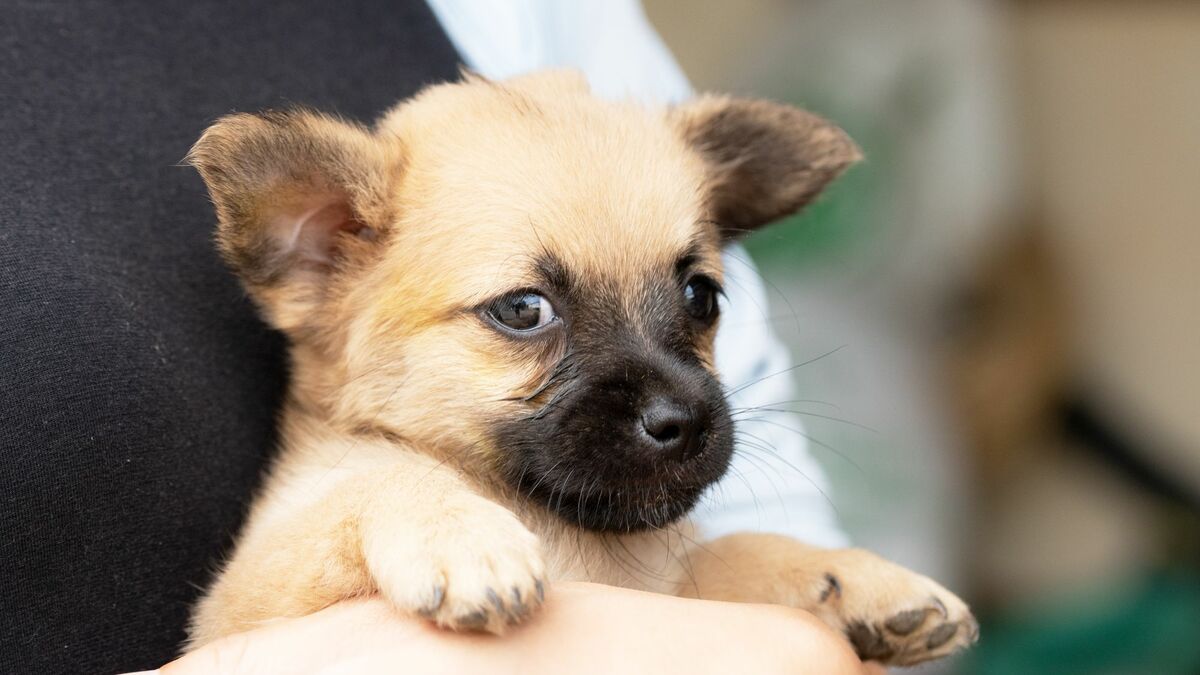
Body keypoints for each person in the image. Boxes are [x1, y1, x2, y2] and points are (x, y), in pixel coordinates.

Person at [0, 0, 865, 672]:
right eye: (525, 313)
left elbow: (734, 565)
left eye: (693, 296)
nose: (672, 397)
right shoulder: (366, 502)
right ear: (324, 249)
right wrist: (394, 513)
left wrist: (786, 594)